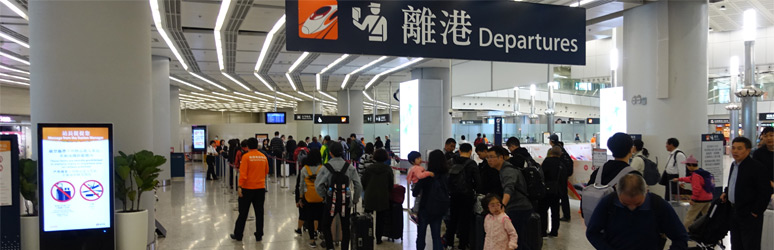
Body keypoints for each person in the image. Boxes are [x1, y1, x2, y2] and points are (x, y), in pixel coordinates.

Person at [586, 174, 689, 250]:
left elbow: (680, 237)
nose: (632, 207)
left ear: (646, 192)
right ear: (618, 193)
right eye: (625, 204)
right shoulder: (608, 202)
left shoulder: (658, 205)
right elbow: (592, 233)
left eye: (638, 203)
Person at [720, 136, 773, 250]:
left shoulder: (757, 167)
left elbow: (765, 192)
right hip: (734, 211)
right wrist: (726, 192)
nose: (735, 151)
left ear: (748, 150)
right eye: (733, 148)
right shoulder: (734, 165)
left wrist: (755, 212)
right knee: (736, 243)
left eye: (739, 148)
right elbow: (734, 183)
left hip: (749, 214)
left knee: (750, 244)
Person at [314, 142, 363, 250]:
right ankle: (344, 247)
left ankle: (330, 247)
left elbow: (318, 185)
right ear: (342, 153)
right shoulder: (349, 167)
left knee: (326, 225)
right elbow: (358, 185)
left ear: (330, 153)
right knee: (346, 227)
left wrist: (324, 196)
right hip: (345, 201)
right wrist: (354, 200)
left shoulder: (325, 167)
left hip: (331, 201)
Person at [488, 146, 533, 250]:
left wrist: (502, 206)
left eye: (491, 157)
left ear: (501, 158)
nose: (489, 160)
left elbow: (509, 188)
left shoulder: (507, 170)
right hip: (517, 207)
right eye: (487, 157)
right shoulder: (503, 170)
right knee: (517, 239)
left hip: (519, 208)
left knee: (516, 240)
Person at [231, 138, 269, 241]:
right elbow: (266, 171)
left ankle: (238, 235)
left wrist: (239, 187)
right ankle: (259, 235)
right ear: (257, 145)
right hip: (260, 188)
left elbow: (243, 174)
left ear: (247, 146)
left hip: (247, 189)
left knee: (243, 213)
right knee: (259, 213)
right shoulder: (263, 157)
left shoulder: (246, 157)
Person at [445, 143, 481, 250]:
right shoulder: (472, 163)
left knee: (453, 219)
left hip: (454, 195)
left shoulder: (451, 162)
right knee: (465, 220)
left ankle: (449, 243)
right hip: (467, 196)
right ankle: (463, 244)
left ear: (459, 151)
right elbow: (478, 181)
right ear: (470, 151)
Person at [414, 150, 449, 250]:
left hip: (425, 207)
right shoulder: (446, 176)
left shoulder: (426, 176)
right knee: (436, 236)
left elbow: (415, 193)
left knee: (421, 235)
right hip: (439, 208)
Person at [361, 149, 394, 244]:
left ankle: (367, 236)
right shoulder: (388, 169)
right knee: (380, 219)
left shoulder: (369, 168)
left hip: (369, 195)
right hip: (383, 196)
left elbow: (363, 181)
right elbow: (390, 185)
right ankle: (378, 238)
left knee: (367, 217)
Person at [671, 155, 714, 228]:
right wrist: (679, 179)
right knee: (707, 217)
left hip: (699, 199)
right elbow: (689, 179)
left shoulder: (696, 175)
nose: (686, 167)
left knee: (689, 217)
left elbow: (697, 188)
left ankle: (684, 232)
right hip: (708, 198)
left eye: (687, 165)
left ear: (690, 165)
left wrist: (693, 199)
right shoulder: (702, 172)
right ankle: (709, 231)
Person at [298, 150, 325, 248]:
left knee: (310, 219)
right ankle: (322, 233)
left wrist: (300, 198)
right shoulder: (322, 168)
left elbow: (301, 185)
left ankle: (312, 240)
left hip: (308, 197)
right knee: (321, 217)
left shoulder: (304, 169)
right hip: (320, 196)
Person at [547, 134, 574, 221]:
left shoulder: (555, 149)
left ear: (551, 141)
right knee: (563, 195)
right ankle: (566, 215)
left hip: (559, 176)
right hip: (563, 175)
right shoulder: (561, 148)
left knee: (561, 195)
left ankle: (566, 215)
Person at [539, 146, 563, 237]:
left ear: (551, 153)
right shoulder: (561, 163)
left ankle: (543, 231)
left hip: (546, 190)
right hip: (557, 191)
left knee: (543, 211)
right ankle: (554, 231)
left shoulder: (547, 161)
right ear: (560, 154)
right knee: (555, 212)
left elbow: (542, 174)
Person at [406, 150, 433, 223]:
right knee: (419, 198)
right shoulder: (417, 168)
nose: (420, 160)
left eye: (420, 158)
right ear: (412, 161)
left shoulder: (413, 168)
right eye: (418, 159)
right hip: (418, 185)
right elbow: (420, 176)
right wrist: (429, 173)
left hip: (415, 185)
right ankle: (415, 213)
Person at [293, 141, 311, 236]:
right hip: (312, 194)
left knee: (302, 212)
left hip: (303, 194)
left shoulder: (297, 150)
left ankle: (300, 228)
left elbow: (299, 186)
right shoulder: (307, 150)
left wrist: (298, 199)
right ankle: (314, 231)